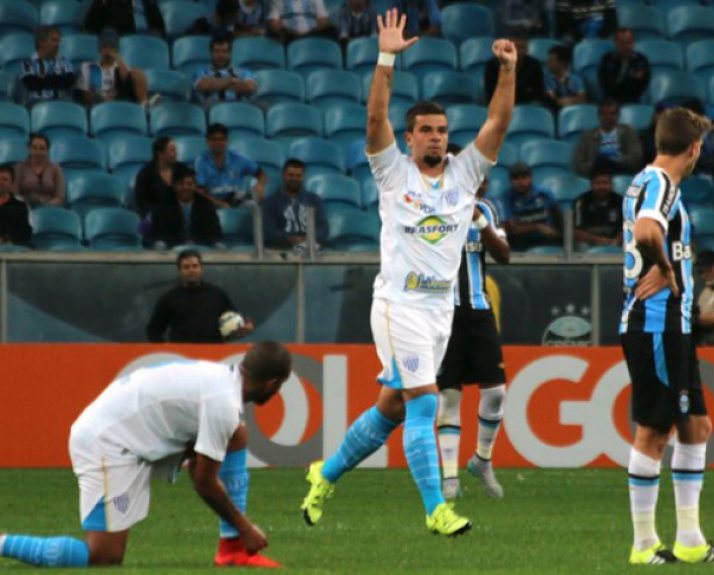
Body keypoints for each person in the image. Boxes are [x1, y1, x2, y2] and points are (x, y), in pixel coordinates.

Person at [300, 8, 515, 538]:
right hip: (398, 306)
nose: (437, 138)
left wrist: (508, 69)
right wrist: (386, 57)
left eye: (442, 131)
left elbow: (498, 123)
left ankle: (323, 474)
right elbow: (374, 121)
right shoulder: (393, 172)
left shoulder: (466, 176)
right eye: (426, 131)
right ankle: (436, 508)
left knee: (392, 408)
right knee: (426, 403)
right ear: (411, 138)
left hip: (441, 310)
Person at [0, 342, 290, 568]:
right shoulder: (223, 403)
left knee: (236, 434)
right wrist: (245, 526)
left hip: (126, 437)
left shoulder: (219, 379)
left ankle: (233, 551)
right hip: (107, 446)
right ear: (272, 384)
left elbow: (200, 465)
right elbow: (203, 480)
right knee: (104, 557)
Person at [618, 107, 714, 565]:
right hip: (657, 323)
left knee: (697, 426)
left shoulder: (645, 181)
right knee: (653, 433)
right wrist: (666, 270)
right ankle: (643, 545)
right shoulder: (661, 185)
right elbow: (647, 230)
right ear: (694, 147)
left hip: (671, 326)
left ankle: (689, 540)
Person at [436, 155, 512, 500]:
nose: (481, 184)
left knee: (495, 392)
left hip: (480, 312)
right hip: (443, 314)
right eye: (476, 178)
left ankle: (482, 459)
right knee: (449, 394)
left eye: (484, 179)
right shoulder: (433, 209)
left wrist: (481, 221)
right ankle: (450, 477)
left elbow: (504, 255)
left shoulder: (486, 211)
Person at [147, 250, 254, 343]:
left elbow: (234, 323)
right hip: (182, 360)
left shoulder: (217, 295)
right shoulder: (169, 299)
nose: (191, 270)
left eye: (195, 266)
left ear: (201, 269)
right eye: (186, 267)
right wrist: (165, 351)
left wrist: (244, 329)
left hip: (214, 357)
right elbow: (153, 330)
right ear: (179, 271)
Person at [261, 159, 329, 251]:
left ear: (303, 177)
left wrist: (309, 238)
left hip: (312, 245)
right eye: (290, 175)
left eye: (298, 176)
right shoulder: (271, 202)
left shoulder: (314, 200)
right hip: (283, 246)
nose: (294, 179)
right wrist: (290, 239)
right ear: (284, 176)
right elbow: (269, 231)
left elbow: (323, 228)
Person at [150, 167, 224, 250]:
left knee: (219, 246)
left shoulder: (206, 204)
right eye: (181, 183)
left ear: (195, 185)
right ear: (174, 186)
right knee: (159, 245)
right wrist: (182, 241)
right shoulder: (163, 205)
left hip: (201, 246)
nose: (185, 187)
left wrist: (194, 240)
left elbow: (215, 232)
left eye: (189, 184)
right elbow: (159, 232)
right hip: (172, 246)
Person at [195, 124, 267, 208]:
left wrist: (260, 185)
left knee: (258, 199)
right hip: (212, 200)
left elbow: (261, 173)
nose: (218, 142)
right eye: (214, 139)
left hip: (235, 198)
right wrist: (218, 203)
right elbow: (200, 190)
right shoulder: (201, 161)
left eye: (221, 139)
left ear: (227, 141)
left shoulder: (238, 159)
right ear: (207, 142)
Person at [76, 30, 150, 108]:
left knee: (136, 72)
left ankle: (144, 105)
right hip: (98, 104)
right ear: (99, 49)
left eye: (112, 47)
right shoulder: (88, 67)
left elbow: (127, 86)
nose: (108, 50)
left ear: (117, 50)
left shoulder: (122, 68)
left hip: (121, 101)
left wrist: (118, 60)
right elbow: (85, 95)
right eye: (105, 47)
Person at [573, 99, 644, 177]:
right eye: (604, 114)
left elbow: (636, 158)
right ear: (599, 115)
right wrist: (594, 166)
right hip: (595, 174)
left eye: (612, 114)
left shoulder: (629, 132)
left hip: (622, 170)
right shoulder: (587, 136)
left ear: (618, 115)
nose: (608, 117)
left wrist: (614, 160)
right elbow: (578, 164)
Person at [503, 162, 564, 251]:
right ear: (510, 181)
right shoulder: (506, 198)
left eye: (524, 178)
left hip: (547, 239)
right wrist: (538, 227)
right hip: (520, 242)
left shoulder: (545, 193)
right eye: (516, 179)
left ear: (531, 178)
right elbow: (512, 229)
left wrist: (558, 233)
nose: (520, 182)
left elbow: (559, 219)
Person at [193, 36, 258, 109]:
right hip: (213, 107)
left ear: (230, 53)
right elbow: (203, 86)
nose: (220, 55)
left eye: (224, 51)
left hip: (239, 106)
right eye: (217, 51)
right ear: (211, 53)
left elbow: (249, 87)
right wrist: (230, 81)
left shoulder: (243, 72)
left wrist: (216, 85)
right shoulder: (203, 71)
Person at [19, 27, 76, 107]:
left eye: (58, 41)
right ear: (41, 42)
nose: (57, 44)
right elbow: (31, 83)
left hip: (63, 105)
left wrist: (42, 78)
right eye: (54, 40)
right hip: (36, 106)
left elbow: (68, 82)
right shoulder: (27, 64)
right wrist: (57, 79)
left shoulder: (66, 62)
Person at [573, 163, 624, 248]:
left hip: (615, 243)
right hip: (589, 243)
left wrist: (617, 241)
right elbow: (576, 231)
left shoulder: (620, 201)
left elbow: (627, 227)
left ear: (611, 185)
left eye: (605, 183)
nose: (601, 187)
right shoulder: (581, 202)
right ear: (591, 185)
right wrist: (599, 240)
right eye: (598, 183)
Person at [484, 36, 544, 106]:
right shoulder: (493, 65)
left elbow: (538, 92)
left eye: (521, 48)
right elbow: (491, 92)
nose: (517, 51)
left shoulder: (534, 65)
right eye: (514, 47)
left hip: (527, 105)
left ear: (526, 49)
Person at [597, 29, 650, 106]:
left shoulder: (641, 60)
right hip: (611, 99)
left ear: (633, 42)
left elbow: (643, 82)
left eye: (628, 43)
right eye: (622, 43)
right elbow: (604, 82)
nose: (625, 46)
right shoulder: (607, 60)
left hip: (633, 99)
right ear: (615, 43)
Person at [14, 134, 65, 208]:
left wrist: (46, 205)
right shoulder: (20, 168)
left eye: (42, 149)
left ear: (47, 150)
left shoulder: (56, 169)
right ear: (29, 149)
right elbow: (14, 194)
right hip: (25, 208)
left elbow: (59, 197)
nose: (38, 152)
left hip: (50, 208)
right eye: (34, 148)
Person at [84, 0, 165, 36]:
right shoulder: (107, 2)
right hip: (121, 46)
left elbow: (160, 27)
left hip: (146, 44)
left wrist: (155, 32)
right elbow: (89, 24)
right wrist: (107, 30)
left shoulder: (148, 2)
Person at [267, 0, 333, 43]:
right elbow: (273, 23)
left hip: (312, 33)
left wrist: (311, 32)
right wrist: (288, 30)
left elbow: (324, 20)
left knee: (332, 31)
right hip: (288, 35)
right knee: (275, 34)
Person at [545, 45, 587, 110]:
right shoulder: (546, 78)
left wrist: (570, 100)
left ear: (562, 63)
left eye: (551, 61)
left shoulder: (576, 78)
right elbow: (550, 97)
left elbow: (583, 98)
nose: (548, 63)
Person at [0, 166, 33, 248]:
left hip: (10, 247)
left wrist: (5, 239)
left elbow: (24, 232)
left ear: (11, 183)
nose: (0, 182)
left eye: (5, 179)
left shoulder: (20, 207)